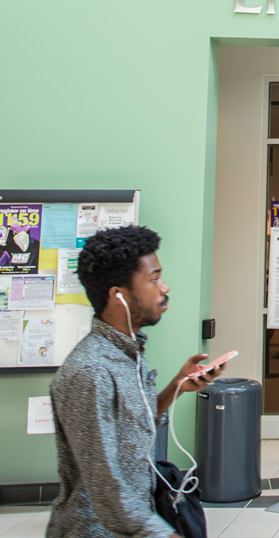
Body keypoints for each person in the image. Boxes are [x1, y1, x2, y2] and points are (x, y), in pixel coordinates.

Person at [47, 226, 224, 538]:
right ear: (119, 295)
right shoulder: (90, 372)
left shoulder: (129, 351)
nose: (164, 287)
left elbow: (132, 430)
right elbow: (106, 487)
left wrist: (176, 387)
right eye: (153, 279)